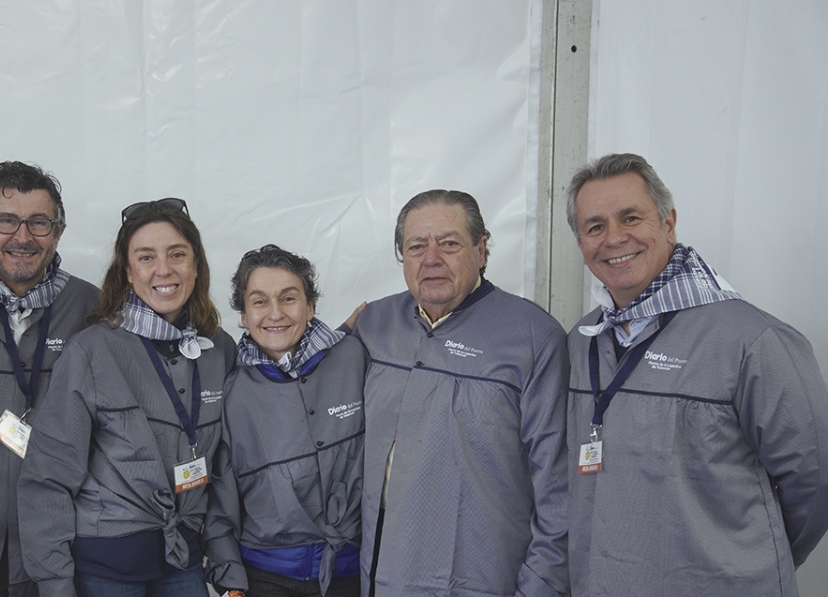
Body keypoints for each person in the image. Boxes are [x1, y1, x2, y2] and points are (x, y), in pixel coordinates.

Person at [564, 153, 828, 597]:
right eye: (594, 226)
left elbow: (816, 480)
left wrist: (748, 558)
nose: (613, 238)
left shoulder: (754, 340)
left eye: (631, 217)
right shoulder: (581, 341)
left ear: (668, 223)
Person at [349, 190, 568, 597]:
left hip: (481, 575)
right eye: (416, 246)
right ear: (402, 255)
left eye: (449, 243)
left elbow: (559, 489)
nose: (431, 258)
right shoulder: (375, 324)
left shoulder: (535, 338)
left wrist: (540, 588)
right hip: (381, 572)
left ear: (481, 249)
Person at [18, 198, 235, 597]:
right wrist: (54, 584)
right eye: (146, 257)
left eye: (177, 254)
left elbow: (227, 466)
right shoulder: (92, 351)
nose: (164, 269)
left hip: (183, 554)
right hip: (106, 563)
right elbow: (47, 478)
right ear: (128, 274)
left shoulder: (219, 349)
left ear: (196, 266)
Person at [0, 162, 98, 597]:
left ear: (59, 231)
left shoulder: (94, 310)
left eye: (39, 223)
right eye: (7, 221)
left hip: (62, 536)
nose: (23, 237)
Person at [204, 245, 367, 597]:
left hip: (354, 575)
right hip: (267, 580)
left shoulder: (355, 357)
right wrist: (231, 584)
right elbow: (219, 503)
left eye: (289, 298)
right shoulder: (230, 394)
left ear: (310, 307)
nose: (275, 313)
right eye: (260, 301)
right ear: (244, 316)